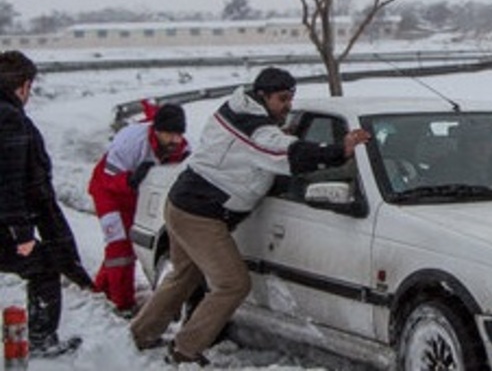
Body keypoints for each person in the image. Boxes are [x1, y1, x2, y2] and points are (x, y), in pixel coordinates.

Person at [129, 67, 370, 366]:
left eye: (291, 98)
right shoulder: (253, 129)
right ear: (262, 96)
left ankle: (140, 334)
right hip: (199, 214)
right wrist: (337, 150)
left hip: (184, 202)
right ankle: (185, 350)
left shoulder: (238, 107)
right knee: (233, 284)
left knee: (185, 274)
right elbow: (282, 153)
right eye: (282, 99)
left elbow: (269, 148)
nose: (288, 105)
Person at [0, 51, 93, 359]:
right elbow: (8, 181)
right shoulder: (9, 118)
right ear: (24, 86)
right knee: (44, 268)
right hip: (7, 224)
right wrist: (22, 234)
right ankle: (41, 340)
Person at [88, 100, 191, 316]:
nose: (174, 140)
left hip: (136, 198)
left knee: (129, 244)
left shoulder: (183, 149)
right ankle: (123, 303)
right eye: (169, 135)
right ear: (156, 131)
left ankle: (101, 288)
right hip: (109, 194)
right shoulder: (130, 142)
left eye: (178, 135)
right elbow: (107, 177)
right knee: (119, 248)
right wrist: (130, 180)